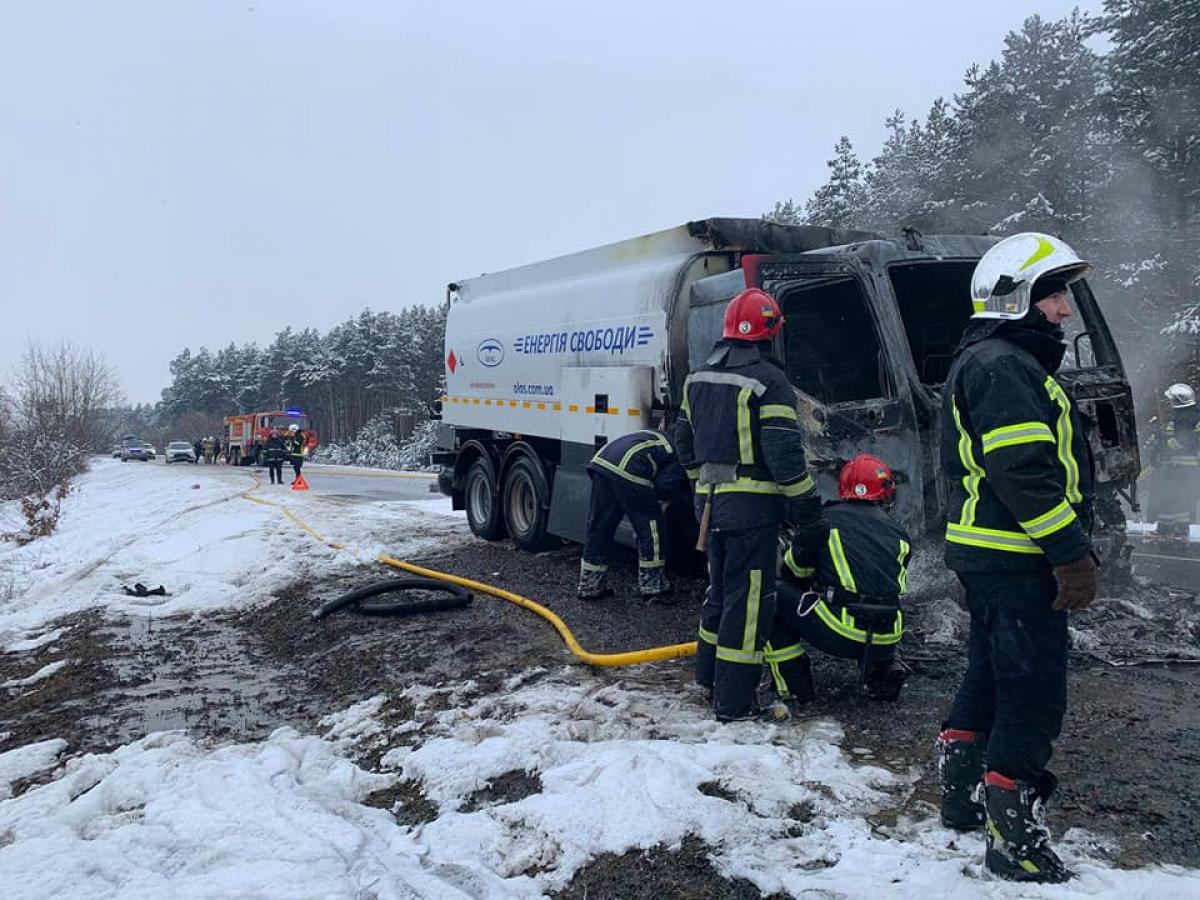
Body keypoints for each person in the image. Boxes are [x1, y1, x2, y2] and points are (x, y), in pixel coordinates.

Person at [935, 232, 1097, 883]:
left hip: (991, 559)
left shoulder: (996, 360)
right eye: (1054, 294)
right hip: (1016, 558)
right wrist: (1071, 554)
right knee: (1032, 693)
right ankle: (1015, 841)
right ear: (1015, 297)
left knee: (993, 675)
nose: (1063, 309)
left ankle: (962, 799)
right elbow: (1023, 471)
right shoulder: (1003, 366)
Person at [675, 287, 823, 722]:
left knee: (719, 594)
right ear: (770, 331)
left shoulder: (698, 377)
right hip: (753, 514)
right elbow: (783, 457)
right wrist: (808, 509)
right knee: (751, 602)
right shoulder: (769, 381)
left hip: (712, 510)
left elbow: (683, 440)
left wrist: (699, 488)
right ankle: (734, 703)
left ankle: (708, 679)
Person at [774, 454, 911, 703]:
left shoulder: (824, 521)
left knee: (772, 596)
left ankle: (794, 688)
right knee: (875, 596)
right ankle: (884, 668)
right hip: (888, 635)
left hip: (842, 633)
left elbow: (796, 570)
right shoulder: (898, 531)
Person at [577, 428, 691, 600]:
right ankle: (653, 585)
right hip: (629, 470)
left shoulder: (656, 437)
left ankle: (588, 586)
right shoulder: (676, 451)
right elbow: (666, 485)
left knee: (600, 527)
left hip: (601, 464)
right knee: (652, 527)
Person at [1149, 383, 1200, 540]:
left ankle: (1167, 530)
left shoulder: (1184, 417)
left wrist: (1164, 442)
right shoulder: (1193, 415)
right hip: (1187, 467)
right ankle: (1178, 530)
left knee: (1170, 497)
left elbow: (1184, 442)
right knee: (1180, 499)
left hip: (1180, 466)